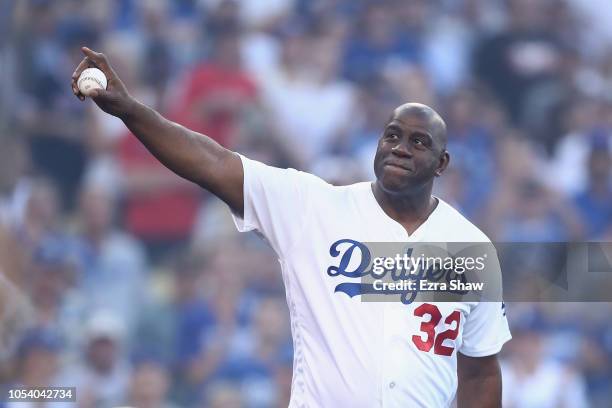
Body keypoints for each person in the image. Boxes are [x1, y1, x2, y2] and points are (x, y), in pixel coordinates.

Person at [71, 46, 511, 407]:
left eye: (419, 142)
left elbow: (479, 372)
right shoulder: (314, 206)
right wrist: (130, 110)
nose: (400, 148)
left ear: (442, 164)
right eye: (392, 135)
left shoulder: (471, 249)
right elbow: (212, 163)